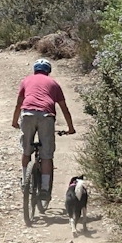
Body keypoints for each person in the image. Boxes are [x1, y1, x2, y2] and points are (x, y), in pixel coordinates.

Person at [11, 58, 77, 208]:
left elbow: (18, 104)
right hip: (46, 116)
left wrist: (15, 121)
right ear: (48, 71)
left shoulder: (26, 80)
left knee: (26, 151)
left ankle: (24, 181)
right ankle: (45, 189)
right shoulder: (53, 84)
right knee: (47, 155)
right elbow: (64, 108)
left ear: (35, 70)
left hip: (27, 114)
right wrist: (70, 128)